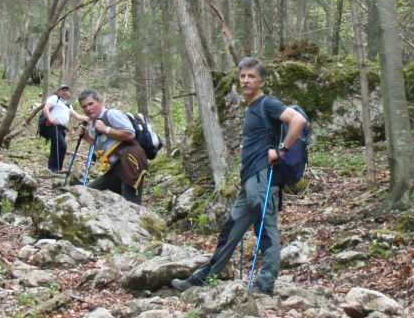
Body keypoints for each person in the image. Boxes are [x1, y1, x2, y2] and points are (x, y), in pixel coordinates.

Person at [172, 57, 306, 297]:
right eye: (243, 76)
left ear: (262, 81)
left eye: (251, 76)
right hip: (249, 181)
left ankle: (264, 285)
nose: (245, 80)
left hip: (264, 179)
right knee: (230, 230)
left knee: (266, 229)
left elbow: (298, 120)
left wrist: (281, 150)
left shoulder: (267, 103)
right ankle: (202, 278)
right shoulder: (253, 108)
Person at [78, 89, 148, 204]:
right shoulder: (93, 124)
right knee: (90, 192)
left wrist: (106, 129)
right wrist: (87, 137)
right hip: (114, 169)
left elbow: (130, 134)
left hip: (130, 163)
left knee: (130, 205)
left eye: (91, 104)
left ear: (100, 102)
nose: (88, 109)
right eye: (84, 107)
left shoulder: (111, 114)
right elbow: (100, 153)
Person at [43, 84, 86, 173]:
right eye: (63, 90)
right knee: (61, 146)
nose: (65, 92)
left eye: (67, 90)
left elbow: (77, 116)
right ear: (58, 91)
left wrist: (91, 118)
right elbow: (46, 108)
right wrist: (50, 119)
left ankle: (56, 169)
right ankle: (54, 169)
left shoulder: (67, 105)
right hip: (53, 126)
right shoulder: (55, 98)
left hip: (62, 129)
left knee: (58, 146)